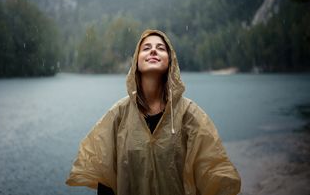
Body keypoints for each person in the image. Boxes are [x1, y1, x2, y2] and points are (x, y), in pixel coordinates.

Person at [66, 29, 241, 195]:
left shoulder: (189, 114)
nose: (153, 52)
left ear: (170, 62)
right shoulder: (118, 115)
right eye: (146, 48)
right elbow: (106, 177)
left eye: (161, 48)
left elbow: (212, 169)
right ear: (136, 61)